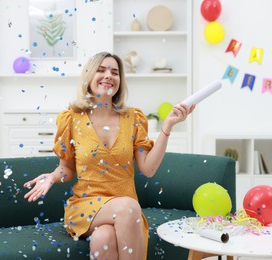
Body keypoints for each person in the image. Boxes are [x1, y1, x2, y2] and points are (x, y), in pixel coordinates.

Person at [24, 52, 194, 260]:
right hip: (87, 207)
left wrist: (167, 126)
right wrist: (51, 177)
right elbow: (67, 168)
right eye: (101, 70)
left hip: (123, 210)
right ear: (89, 76)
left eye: (114, 72)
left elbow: (148, 169)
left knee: (103, 238)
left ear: (120, 82)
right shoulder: (71, 119)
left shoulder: (134, 118)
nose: (108, 75)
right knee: (128, 207)